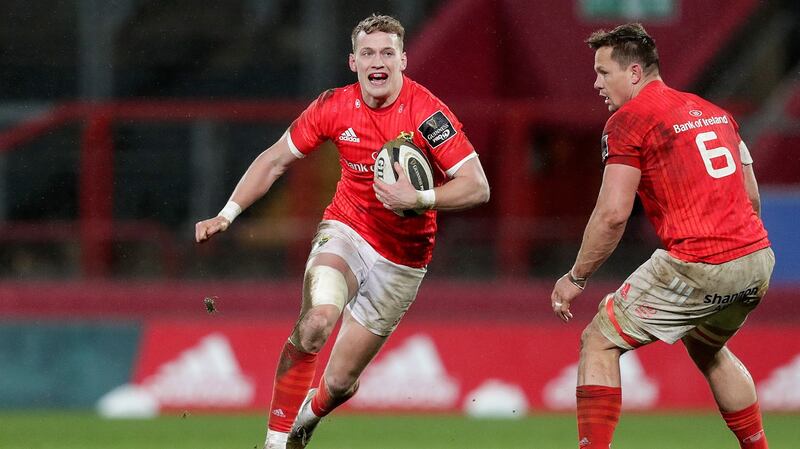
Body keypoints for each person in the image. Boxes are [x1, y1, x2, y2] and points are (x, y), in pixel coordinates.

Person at [195, 13, 490, 449]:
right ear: (352, 62)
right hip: (347, 230)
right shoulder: (333, 106)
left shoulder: (427, 113)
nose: (378, 61)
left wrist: (420, 199)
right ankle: (276, 442)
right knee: (316, 322)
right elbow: (276, 159)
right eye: (368, 53)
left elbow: (478, 186)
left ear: (403, 60)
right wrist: (228, 212)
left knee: (340, 382)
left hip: (404, 260)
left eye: (387, 52)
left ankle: (308, 417)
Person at [549, 23, 773, 449]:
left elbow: (613, 214)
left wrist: (576, 277)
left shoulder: (628, 121)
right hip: (756, 258)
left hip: (700, 262)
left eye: (603, 72)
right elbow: (751, 198)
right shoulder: (714, 112)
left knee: (598, 340)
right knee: (708, 349)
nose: (596, 83)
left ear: (634, 72)